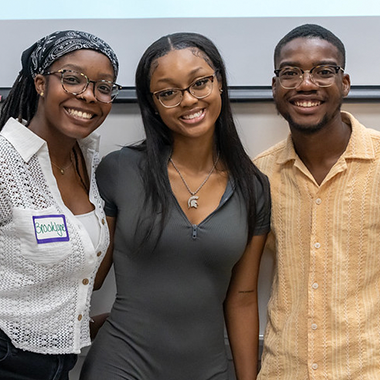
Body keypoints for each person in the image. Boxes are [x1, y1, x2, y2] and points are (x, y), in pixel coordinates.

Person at [80, 32, 271, 380]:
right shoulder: (119, 169)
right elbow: (84, 279)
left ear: (220, 83)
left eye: (200, 83)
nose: (187, 100)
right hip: (120, 366)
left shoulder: (254, 187)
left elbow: (242, 298)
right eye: (168, 92)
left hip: (209, 369)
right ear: (153, 104)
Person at [254, 23, 380, 378]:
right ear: (275, 86)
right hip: (284, 370)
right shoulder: (259, 175)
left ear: (345, 83)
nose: (306, 85)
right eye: (290, 73)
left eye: (323, 71)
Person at [0, 30, 120, 380]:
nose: (88, 95)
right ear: (40, 83)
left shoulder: (91, 163)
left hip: (59, 365)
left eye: (103, 86)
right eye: (72, 79)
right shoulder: (4, 163)